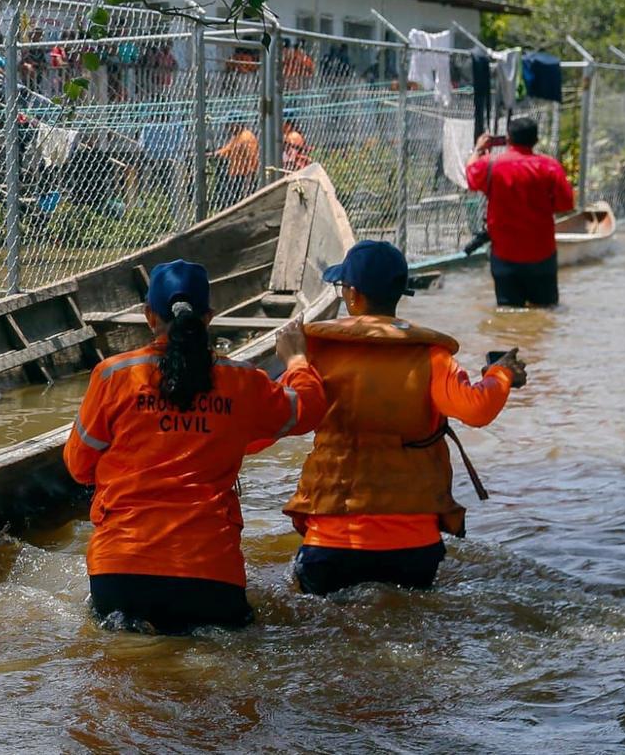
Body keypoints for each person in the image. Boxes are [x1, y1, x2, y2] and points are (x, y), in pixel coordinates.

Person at [63, 260, 326, 633]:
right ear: (210, 317)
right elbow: (308, 409)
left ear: (149, 315)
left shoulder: (113, 376)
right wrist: (297, 360)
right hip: (210, 577)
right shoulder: (242, 381)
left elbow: (78, 467)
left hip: (120, 573)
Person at [284, 241, 528, 596]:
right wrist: (501, 374)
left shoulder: (316, 355)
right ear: (401, 292)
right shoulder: (432, 357)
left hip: (332, 544)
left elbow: (278, 416)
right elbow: (477, 409)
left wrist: (294, 362)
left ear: (351, 295)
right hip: (414, 549)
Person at [465, 116, 575, 307]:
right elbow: (565, 204)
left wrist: (478, 150)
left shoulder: (491, 164)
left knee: (508, 313)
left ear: (508, 138)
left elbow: (471, 176)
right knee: (546, 311)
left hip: (505, 254)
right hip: (542, 254)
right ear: (536, 140)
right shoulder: (549, 166)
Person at [212, 116, 260, 206]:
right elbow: (227, 150)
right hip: (237, 175)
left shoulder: (246, 137)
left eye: (229, 125)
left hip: (245, 175)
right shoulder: (236, 137)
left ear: (236, 124)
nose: (227, 128)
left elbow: (251, 157)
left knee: (244, 201)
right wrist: (212, 154)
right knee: (234, 201)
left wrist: (249, 175)